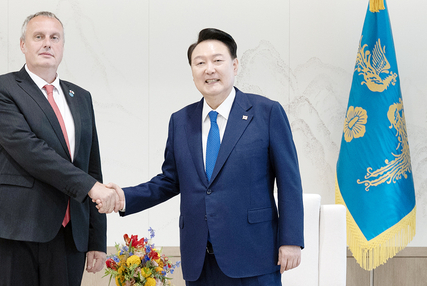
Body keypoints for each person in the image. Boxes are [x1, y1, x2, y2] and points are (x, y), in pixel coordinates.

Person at [105, 28, 304, 285]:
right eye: (200, 63)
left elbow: (290, 181)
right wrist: (124, 198)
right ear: (192, 72)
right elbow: (169, 180)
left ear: (234, 65)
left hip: (254, 256)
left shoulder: (266, 113)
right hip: (200, 261)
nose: (209, 69)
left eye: (217, 61)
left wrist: (290, 240)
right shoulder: (181, 121)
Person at [0, 11, 121, 286]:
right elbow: (31, 151)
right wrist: (92, 187)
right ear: (23, 45)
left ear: (63, 46)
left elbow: (91, 164)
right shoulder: (0, 89)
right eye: (38, 37)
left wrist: (96, 239)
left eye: (55, 38)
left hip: (68, 237)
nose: (47, 43)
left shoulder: (80, 97)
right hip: (13, 232)